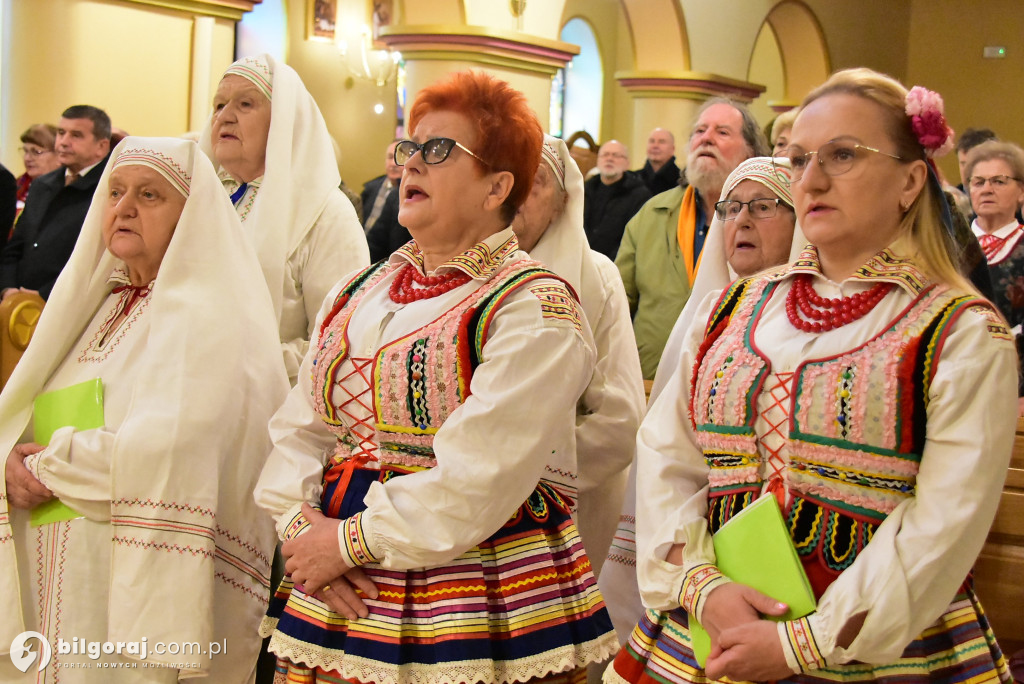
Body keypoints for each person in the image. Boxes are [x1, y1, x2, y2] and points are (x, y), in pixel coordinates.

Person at [605, 68, 1017, 684]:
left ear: (910, 179)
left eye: (843, 155)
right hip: (712, 628)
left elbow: (943, 526)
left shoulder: (959, 331)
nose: (813, 179)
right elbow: (669, 455)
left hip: (876, 642)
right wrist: (702, 585)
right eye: (797, 159)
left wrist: (801, 644)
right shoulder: (730, 309)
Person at [255, 71, 618, 684]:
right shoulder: (358, 290)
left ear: (498, 186)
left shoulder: (534, 305)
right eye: (409, 148)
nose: (411, 166)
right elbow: (298, 428)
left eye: (439, 150)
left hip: (475, 594)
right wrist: (301, 529)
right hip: (336, 579)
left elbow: (482, 472)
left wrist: (342, 544)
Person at [0, 137, 288, 681]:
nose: (124, 207)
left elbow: (179, 445)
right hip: (53, 568)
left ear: (191, 218)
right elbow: (20, 412)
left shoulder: (214, 316)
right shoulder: (91, 303)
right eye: (115, 192)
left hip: (128, 582)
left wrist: (43, 466)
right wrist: (8, 460)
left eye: (150, 195)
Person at [599, 157, 803, 643]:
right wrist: (692, 572)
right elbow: (668, 451)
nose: (743, 220)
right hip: (698, 555)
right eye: (731, 209)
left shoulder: (829, 327)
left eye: (763, 206)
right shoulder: (710, 316)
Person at [512, 135, 645, 577]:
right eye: (510, 181)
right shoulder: (470, 278)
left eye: (536, 184)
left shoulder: (597, 277)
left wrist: (518, 479)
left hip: (572, 507)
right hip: (479, 509)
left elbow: (621, 418)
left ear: (562, 200)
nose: (517, 198)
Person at [200, 54, 369, 384]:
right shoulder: (203, 197)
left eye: (245, 104)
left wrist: (233, 363)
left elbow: (342, 342)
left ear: (283, 120)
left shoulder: (326, 213)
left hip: (272, 407)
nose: (224, 117)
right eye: (218, 105)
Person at [616, 98, 769, 380]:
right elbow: (618, 301)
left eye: (722, 132)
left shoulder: (768, 219)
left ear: (750, 152)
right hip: (648, 383)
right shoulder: (653, 213)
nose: (706, 138)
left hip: (727, 389)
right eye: (699, 131)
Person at [0, 105, 111, 302]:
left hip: (69, 304)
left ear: (101, 146)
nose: (64, 142)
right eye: (61, 133)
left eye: (76, 135)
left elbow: (97, 260)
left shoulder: (109, 190)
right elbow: (15, 247)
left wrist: (44, 294)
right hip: (17, 302)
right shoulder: (42, 184)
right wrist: (8, 288)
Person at [963, 140, 1024, 398]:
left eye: (998, 181)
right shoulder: (945, 246)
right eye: (978, 182)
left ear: (1021, 191)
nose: (986, 189)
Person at [583, 140, 651, 261]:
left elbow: (634, 239)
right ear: (598, 161)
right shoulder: (584, 190)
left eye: (616, 155)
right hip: (582, 259)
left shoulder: (640, 195)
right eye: (605, 155)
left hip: (615, 264)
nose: (610, 159)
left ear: (627, 163)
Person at [363, 140, 413, 261]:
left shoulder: (413, 194)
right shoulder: (370, 189)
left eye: (400, 158)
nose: (393, 164)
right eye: (390, 157)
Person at [14, 124, 61, 227]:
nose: (27, 158)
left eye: (36, 152)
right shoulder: (15, 186)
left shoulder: (64, 191)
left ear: (59, 155)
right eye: (25, 151)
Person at [637, 128, 680, 196]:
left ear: (672, 149)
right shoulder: (634, 180)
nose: (655, 146)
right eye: (652, 141)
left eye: (661, 142)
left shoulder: (681, 182)